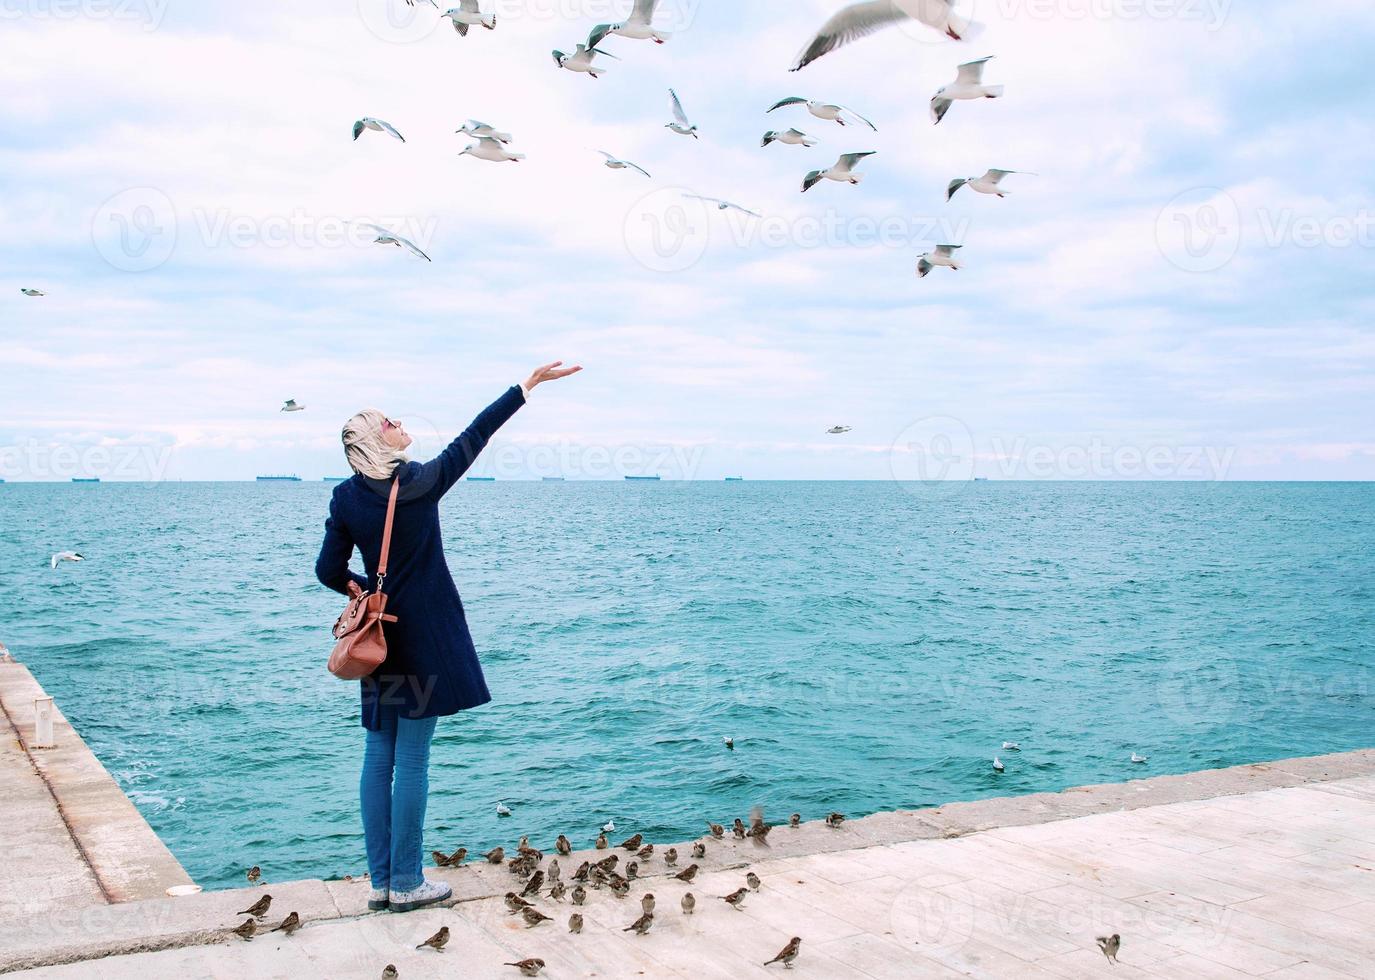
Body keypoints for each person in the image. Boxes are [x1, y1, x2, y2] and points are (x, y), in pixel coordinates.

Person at [315, 361, 581, 912]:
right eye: (387, 421)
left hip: (377, 640)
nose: (397, 423)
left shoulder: (346, 497)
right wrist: (524, 389)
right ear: (375, 439)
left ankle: (383, 881)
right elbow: (475, 436)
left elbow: (327, 568)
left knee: (378, 753)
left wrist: (365, 589)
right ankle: (408, 884)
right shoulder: (419, 484)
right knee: (411, 760)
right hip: (423, 639)